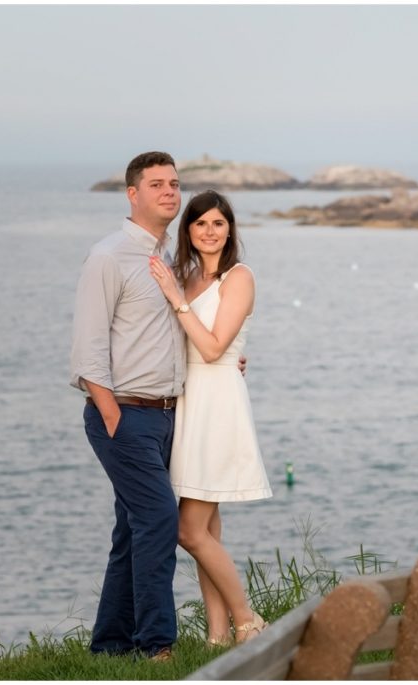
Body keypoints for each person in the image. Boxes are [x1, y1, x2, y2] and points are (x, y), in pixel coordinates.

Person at [70, 152, 245, 662]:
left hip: (172, 415)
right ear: (133, 194)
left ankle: (109, 645)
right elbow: (87, 351)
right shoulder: (108, 256)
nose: (169, 192)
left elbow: (185, 333)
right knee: (159, 520)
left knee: (132, 529)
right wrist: (111, 415)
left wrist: (230, 357)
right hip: (124, 414)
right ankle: (157, 647)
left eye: (174, 184)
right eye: (156, 185)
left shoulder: (173, 260)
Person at [148, 189, 272, 647]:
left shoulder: (238, 277)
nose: (209, 231)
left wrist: (175, 297)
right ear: (189, 231)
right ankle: (218, 637)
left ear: (229, 230)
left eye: (218, 223)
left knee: (188, 530)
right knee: (208, 531)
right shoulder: (185, 275)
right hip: (188, 402)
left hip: (218, 403)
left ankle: (246, 620)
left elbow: (215, 347)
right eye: (200, 224)